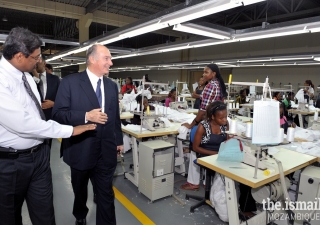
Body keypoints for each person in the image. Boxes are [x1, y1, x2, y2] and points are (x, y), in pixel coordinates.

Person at [0, 27, 96, 225]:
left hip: (40, 156)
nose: (39, 62)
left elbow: (36, 113)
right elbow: (24, 124)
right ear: (19, 56)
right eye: (36, 57)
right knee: (9, 217)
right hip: (11, 163)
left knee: (45, 215)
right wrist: (70, 130)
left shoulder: (26, 75)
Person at [52, 44, 123, 225]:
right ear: (92, 59)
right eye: (107, 58)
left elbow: (115, 116)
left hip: (106, 150)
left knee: (106, 194)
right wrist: (85, 116)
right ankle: (80, 214)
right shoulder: (70, 82)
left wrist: (119, 140)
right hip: (80, 148)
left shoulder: (111, 86)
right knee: (80, 189)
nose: (111, 63)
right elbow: (58, 114)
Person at [180, 101, 228, 190]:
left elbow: (227, 141)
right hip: (204, 153)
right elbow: (195, 147)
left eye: (225, 117)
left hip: (218, 153)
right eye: (221, 118)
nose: (224, 120)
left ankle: (210, 184)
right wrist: (215, 153)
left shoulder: (225, 125)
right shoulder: (203, 126)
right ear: (213, 117)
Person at [183, 63, 227, 129]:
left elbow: (203, 110)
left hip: (208, 122)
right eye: (203, 72)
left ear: (213, 74)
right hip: (216, 122)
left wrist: (191, 125)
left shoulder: (210, 86)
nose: (204, 74)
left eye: (206, 72)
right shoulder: (218, 83)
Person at [32, 55, 60, 121]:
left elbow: (62, 97)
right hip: (34, 118)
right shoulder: (28, 78)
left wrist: (54, 104)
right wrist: (35, 77)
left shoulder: (55, 79)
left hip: (51, 117)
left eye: (37, 62)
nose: (35, 64)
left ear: (44, 63)